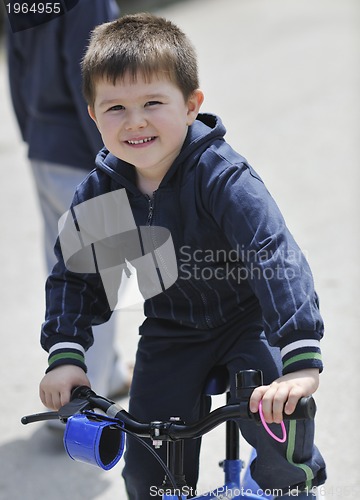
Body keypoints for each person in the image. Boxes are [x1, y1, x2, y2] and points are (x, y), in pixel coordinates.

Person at [38, 13, 326, 499]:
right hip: (170, 327)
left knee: (282, 419)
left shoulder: (221, 176)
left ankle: (290, 490)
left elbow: (273, 255)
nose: (135, 121)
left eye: (153, 102)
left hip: (246, 319)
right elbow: (77, 276)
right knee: (149, 455)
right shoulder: (103, 190)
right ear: (92, 114)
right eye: (115, 108)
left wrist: (300, 357)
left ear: (191, 105)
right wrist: (66, 354)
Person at [6, 0, 131, 399]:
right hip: (82, 151)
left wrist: (33, 134)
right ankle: (80, 401)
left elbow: (16, 67)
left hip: (45, 147)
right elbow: (92, 76)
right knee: (95, 274)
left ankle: (105, 372)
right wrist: (113, 160)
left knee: (65, 265)